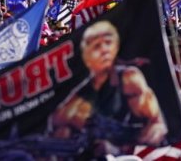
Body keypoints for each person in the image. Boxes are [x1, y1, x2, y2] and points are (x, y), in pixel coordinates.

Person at [48, 21, 167, 153]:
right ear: (86, 57)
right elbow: (56, 128)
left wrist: (119, 148)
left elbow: (157, 126)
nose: (104, 50)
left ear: (116, 47)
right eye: (96, 46)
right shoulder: (77, 99)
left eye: (108, 43)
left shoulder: (129, 78)